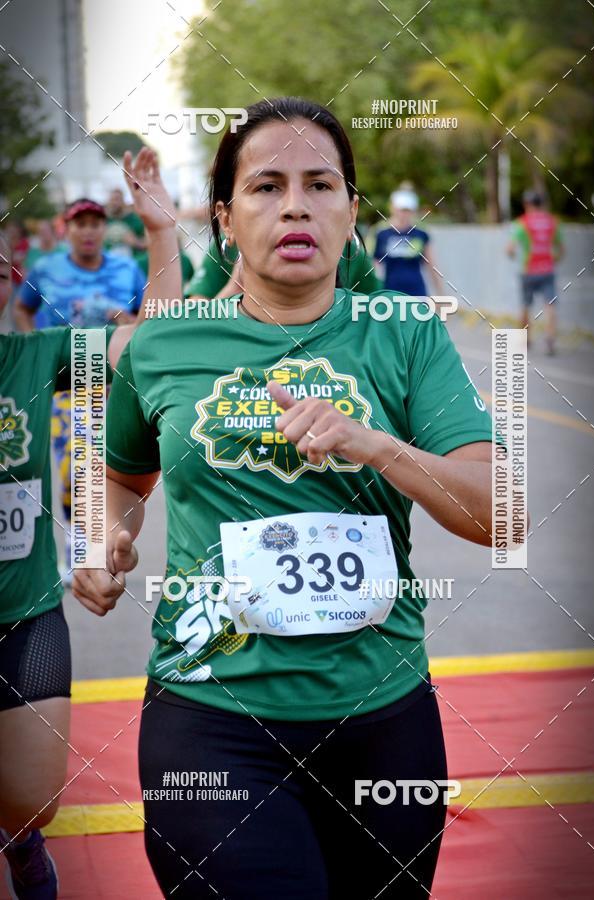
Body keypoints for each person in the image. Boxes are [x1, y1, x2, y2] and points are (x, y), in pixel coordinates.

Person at [74, 97, 497, 900]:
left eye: (322, 185)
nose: (297, 203)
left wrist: (373, 442)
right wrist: (102, 538)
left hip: (386, 721)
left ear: (352, 213)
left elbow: (500, 513)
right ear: (226, 219)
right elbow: (120, 479)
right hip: (210, 716)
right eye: (267, 186)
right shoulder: (160, 341)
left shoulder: (405, 333)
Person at [0, 149, 174, 900]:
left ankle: (23, 842)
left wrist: (161, 232)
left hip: (23, 615)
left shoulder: (38, 358)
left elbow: (155, 341)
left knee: (32, 798)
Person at [12, 199, 146, 584]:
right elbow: (23, 307)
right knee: (74, 467)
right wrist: (33, 348)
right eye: (79, 224)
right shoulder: (46, 269)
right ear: (66, 229)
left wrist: (125, 319)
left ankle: (97, 545)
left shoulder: (127, 269)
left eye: (95, 223)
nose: (88, 231)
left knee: (108, 471)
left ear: (104, 229)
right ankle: (78, 549)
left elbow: (145, 320)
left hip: (112, 385)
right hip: (66, 385)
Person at [186, 230, 381, 298]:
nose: (294, 206)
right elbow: (192, 326)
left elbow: (374, 316)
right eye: (268, 188)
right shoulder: (226, 246)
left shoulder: (349, 250)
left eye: (318, 186)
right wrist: (236, 288)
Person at [507, 189, 564, 355]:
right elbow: (561, 249)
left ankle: (526, 339)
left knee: (525, 305)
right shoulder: (552, 222)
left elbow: (510, 248)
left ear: (527, 204)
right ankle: (550, 338)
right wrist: (553, 260)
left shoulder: (522, 223)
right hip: (548, 269)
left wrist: (512, 256)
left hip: (528, 270)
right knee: (550, 304)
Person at [374, 188, 443, 297]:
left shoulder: (421, 234)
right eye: (401, 209)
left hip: (417, 292)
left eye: (408, 210)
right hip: (389, 293)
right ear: (393, 208)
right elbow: (374, 265)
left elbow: (431, 265)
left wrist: (440, 294)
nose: (404, 213)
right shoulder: (382, 234)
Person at [104, 187, 147, 265]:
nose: (114, 203)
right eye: (111, 199)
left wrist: (135, 242)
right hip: (107, 262)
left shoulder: (134, 219)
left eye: (117, 199)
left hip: (131, 261)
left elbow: (149, 243)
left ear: (123, 201)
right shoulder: (103, 220)